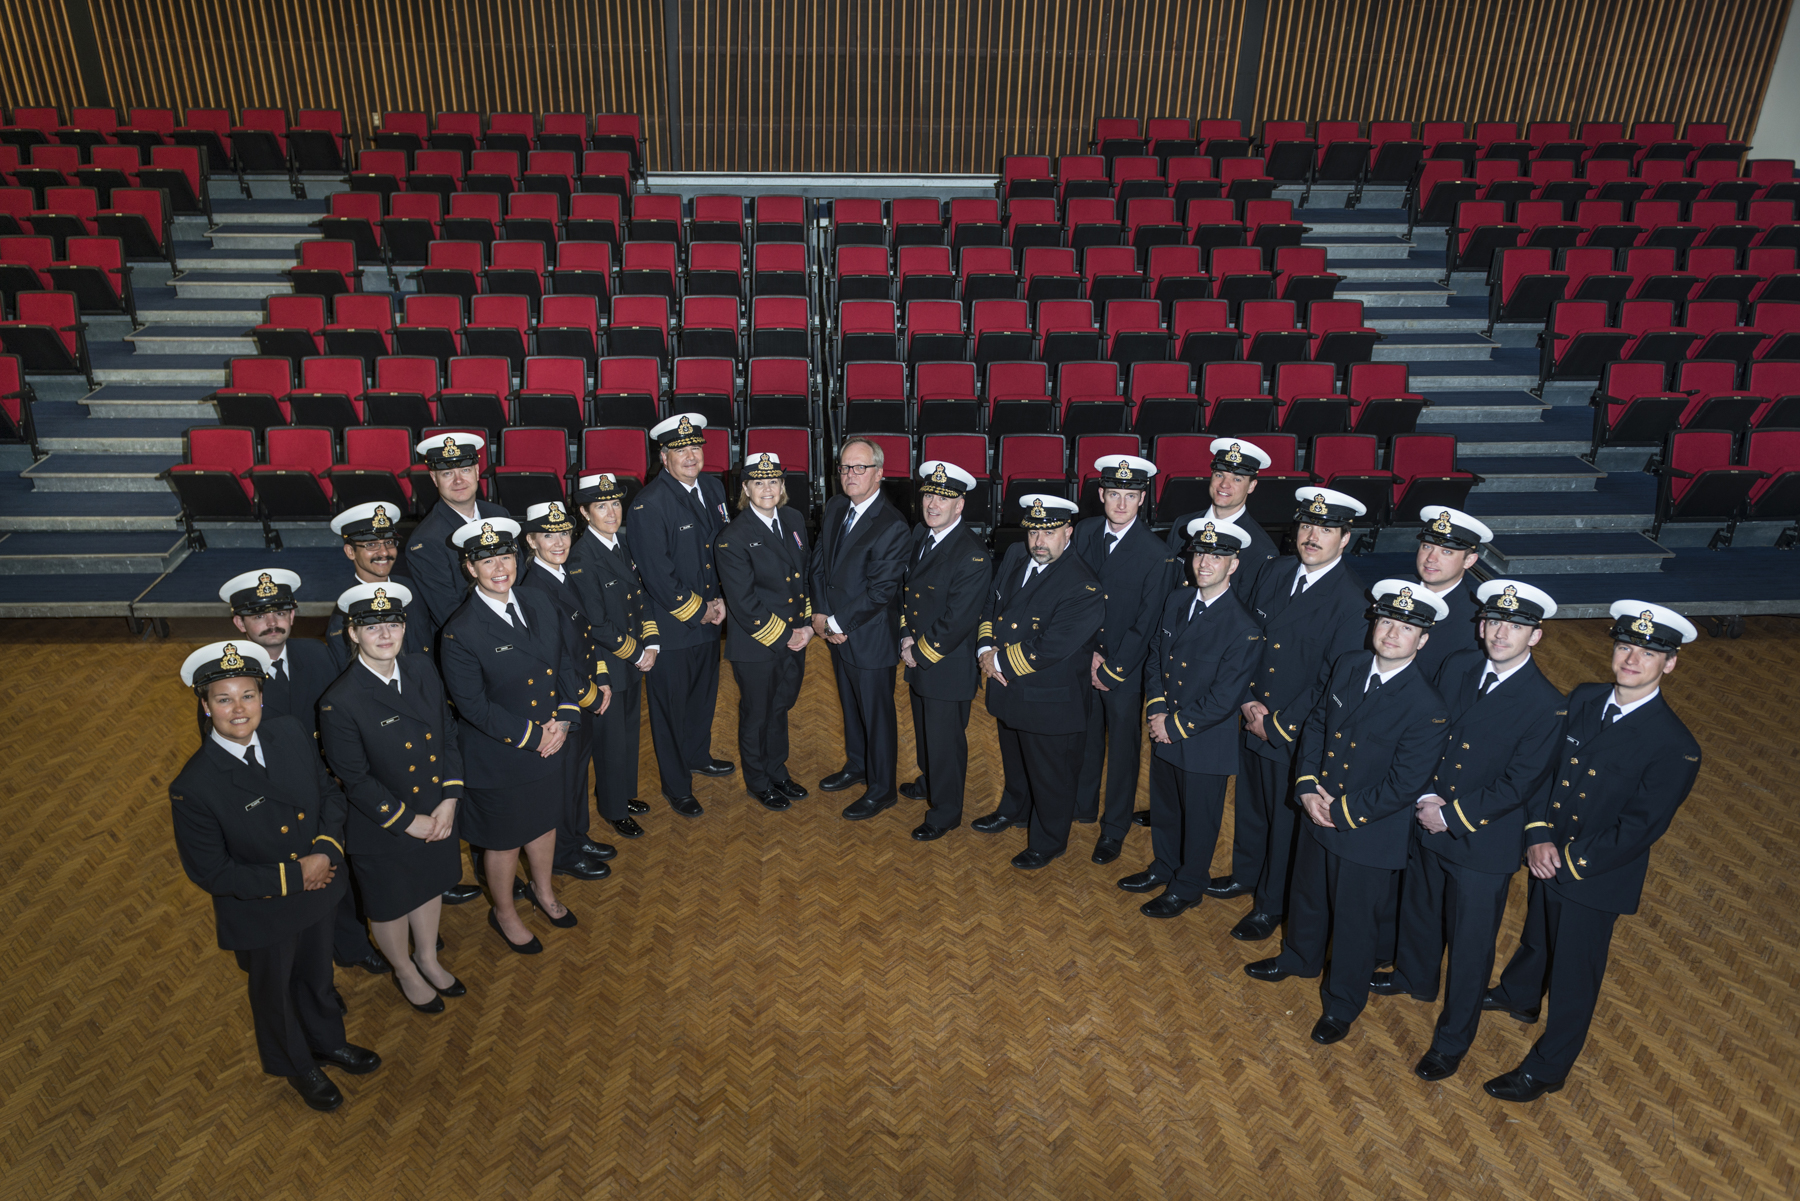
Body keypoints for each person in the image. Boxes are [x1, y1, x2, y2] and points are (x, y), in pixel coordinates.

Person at [1481, 600, 1702, 1103]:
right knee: (1537, 932)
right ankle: (1519, 995)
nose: (1631, 660)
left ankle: (1549, 1066)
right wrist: (1537, 835)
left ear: (1669, 664)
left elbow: (1639, 829)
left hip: (1595, 875)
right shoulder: (1583, 698)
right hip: (1547, 850)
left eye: (1647, 653)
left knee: (1575, 976)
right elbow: (1544, 768)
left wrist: (1568, 861)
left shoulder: (1675, 745)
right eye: (1625, 646)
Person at [168, 640, 380, 1112]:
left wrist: (325, 851)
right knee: (276, 994)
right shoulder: (194, 785)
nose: (238, 709)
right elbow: (212, 871)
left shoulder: (288, 732)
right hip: (263, 911)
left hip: (319, 889)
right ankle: (296, 1064)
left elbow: (329, 795)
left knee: (317, 977)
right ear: (205, 706)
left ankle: (329, 1043)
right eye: (224, 699)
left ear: (262, 697)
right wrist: (296, 875)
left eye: (248, 695)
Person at [1244, 579, 1451, 1047]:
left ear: (1423, 640)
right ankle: (1299, 956)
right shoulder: (1349, 665)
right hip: (1318, 807)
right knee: (1308, 896)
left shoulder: (1428, 707)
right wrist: (1305, 787)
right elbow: (1317, 723)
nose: (1392, 632)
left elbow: (1404, 783)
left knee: (1356, 925)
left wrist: (1343, 812)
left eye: (1405, 627)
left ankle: (1342, 1004)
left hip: (1367, 832)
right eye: (1386, 621)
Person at [1375, 579, 1565, 1082]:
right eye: (1495, 621)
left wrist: (1450, 814)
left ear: (1536, 636)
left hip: (1482, 843)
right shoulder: (1457, 665)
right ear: (1480, 625)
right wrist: (1423, 797)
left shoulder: (1547, 704)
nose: (1502, 632)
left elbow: (1518, 784)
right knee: (1419, 910)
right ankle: (1414, 979)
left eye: (1517, 625)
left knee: (1470, 945)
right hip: (1426, 817)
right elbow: (1427, 730)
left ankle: (1452, 1039)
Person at [1210, 488, 1371, 943]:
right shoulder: (1275, 572)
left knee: (1284, 822)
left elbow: (1331, 681)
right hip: (1251, 710)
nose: (1311, 536)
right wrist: (1244, 698)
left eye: (1324, 529)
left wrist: (1277, 723)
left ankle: (1271, 904)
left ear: (1345, 538)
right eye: (1305, 526)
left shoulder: (1353, 602)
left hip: (1292, 730)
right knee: (1252, 806)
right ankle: (1245, 874)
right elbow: (1246, 637)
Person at [220, 567, 392, 971]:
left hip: (330, 790)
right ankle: (313, 973)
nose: (271, 622)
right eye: (258, 615)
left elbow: (345, 716)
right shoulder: (228, 684)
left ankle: (352, 947)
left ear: (293, 615)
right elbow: (234, 763)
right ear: (238, 622)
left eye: (279, 611)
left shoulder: (317, 654)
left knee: (342, 874)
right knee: (303, 892)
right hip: (278, 807)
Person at [438, 517, 592, 953]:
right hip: (501, 755)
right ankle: (504, 911)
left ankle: (543, 892)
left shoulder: (538, 601)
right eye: (487, 560)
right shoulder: (459, 632)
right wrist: (534, 737)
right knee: (504, 843)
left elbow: (563, 663)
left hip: (551, 740)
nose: (499, 567)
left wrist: (563, 719)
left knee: (544, 827)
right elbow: (473, 707)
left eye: (505, 556)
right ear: (471, 568)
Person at [317, 583, 468, 1016]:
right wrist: (409, 822)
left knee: (428, 887)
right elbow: (356, 780)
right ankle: (403, 968)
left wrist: (450, 799)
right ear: (352, 633)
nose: (385, 634)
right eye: (372, 626)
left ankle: (427, 957)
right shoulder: (339, 702)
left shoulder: (422, 668)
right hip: (383, 825)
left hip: (436, 811)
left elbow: (448, 732)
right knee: (390, 903)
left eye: (393, 623)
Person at [1120, 518, 1263, 916]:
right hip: (1165, 727)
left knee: (1200, 820)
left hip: (1203, 741)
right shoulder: (1177, 601)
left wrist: (1174, 726)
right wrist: (1158, 709)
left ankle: (1188, 884)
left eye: (1216, 556)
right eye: (1200, 553)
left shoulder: (1243, 627)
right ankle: (1164, 865)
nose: (1204, 562)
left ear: (1233, 565)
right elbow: (1155, 658)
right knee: (1166, 808)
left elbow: (1224, 697)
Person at [971, 495, 1105, 869]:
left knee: (1051, 777)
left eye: (1049, 533)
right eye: (1033, 532)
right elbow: (991, 605)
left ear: (1068, 533)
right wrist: (985, 647)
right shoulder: (1015, 555)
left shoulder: (1083, 585)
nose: (1039, 542)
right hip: (1009, 688)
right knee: (1015, 762)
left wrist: (996, 660)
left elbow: (1050, 647)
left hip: (1050, 701)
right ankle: (1013, 810)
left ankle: (1049, 840)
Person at [1073, 454, 1178, 865]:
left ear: (1142, 499)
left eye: (1129, 496)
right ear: (1101, 495)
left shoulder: (1156, 553)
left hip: (1124, 670)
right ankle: (1080, 806)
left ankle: (1113, 827)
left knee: (1122, 751)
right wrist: (1086, 654)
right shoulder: (1082, 533)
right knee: (1082, 739)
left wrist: (1112, 668)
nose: (1120, 503)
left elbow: (1148, 621)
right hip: (1083, 659)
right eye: (1113, 493)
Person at [628, 413, 734, 817]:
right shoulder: (648, 505)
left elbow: (724, 550)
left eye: (695, 447)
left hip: (711, 618)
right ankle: (676, 785)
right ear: (664, 455)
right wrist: (702, 610)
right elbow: (658, 576)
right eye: (680, 449)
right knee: (670, 710)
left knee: (702, 698)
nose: (690, 455)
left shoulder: (712, 488)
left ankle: (697, 755)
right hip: (673, 628)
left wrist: (723, 600)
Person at [809, 436, 911, 820]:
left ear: (879, 473)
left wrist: (835, 622)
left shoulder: (893, 525)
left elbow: (881, 591)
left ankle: (882, 788)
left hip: (868, 637)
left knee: (877, 715)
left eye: (860, 468)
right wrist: (820, 614)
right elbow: (819, 563)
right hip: (836, 631)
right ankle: (857, 766)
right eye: (845, 467)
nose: (850, 475)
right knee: (851, 708)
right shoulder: (836, 506)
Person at [517, 500, 616, 881]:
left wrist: (602, 675)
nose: (558, 541)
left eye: (563, 533)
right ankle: (563, 854)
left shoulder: (561, 573)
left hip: (584, 690)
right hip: (563, 701)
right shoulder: (534, 589)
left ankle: (578, 835)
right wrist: (588, 696)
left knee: (577, 774)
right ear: (531, 540)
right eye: (548, 534)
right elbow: (553, 658)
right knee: (563, 781)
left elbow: (586, 635)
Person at [897, 461, 992, 840]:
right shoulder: (923, 533)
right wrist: (905, 635)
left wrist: (918, 651)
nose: (933, 503)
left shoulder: (971, 555)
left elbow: (957, 620)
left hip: (944, 664)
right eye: (930, 494)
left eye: (944, 497)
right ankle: (930, 779)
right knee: (924, 731)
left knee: (945, 740)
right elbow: (908, 593)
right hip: (917, 654)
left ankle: (947, 809)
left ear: (960, 505)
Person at [716, 452, 815, 811]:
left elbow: (801, 579)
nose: (767, 489)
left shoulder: (792, 519)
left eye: (773, 481)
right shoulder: (733, 537)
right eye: (759, 482)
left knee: (780, 707)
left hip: (795, 638)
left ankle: (778, 770)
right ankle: (758, 780)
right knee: (757, 713)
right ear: (745, 488)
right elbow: (744, 602)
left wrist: (804, 624)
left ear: (782, 486)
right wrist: (787, 634)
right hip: (757, 644)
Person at [566, 472, 656, 838]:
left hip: (633, 660)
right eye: (601, 506)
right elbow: (597, 625)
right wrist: (638, 653)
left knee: (629, 734)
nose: (612, 511)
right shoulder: (581, 558)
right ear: (585, 514)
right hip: (608, 663)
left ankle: (622, 793)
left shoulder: (621, 544)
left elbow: (640, 597)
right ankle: (614, 808)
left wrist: (651, 644)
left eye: (615, 503)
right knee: (611, 742)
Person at [400, 432, 511, 645]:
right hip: (474, 642)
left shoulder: (500, 516)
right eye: (447, 474)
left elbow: (519, 581)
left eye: (466, 470)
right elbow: (449, 612)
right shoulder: (425, 541)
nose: (459, 480)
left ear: (477, 472)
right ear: (434, 478)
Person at [1162, 437, 1282, 599]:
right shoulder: (1183, 525)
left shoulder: (1261, 549)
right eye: (1219, 474)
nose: (1224, 484)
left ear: (1252, 486)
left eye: (1237, 479)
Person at [325, 501, 430, 663]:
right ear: (350, 551)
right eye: (371, 544)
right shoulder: (344, 618)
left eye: (389, 542)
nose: (384, 552)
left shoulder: (411, 588)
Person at [1407, 505, 1490, 681]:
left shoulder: (1474, 621)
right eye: (1427, 546)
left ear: (1469, 560)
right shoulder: (1395, 589)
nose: (1431, 558)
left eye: (1446, 551)